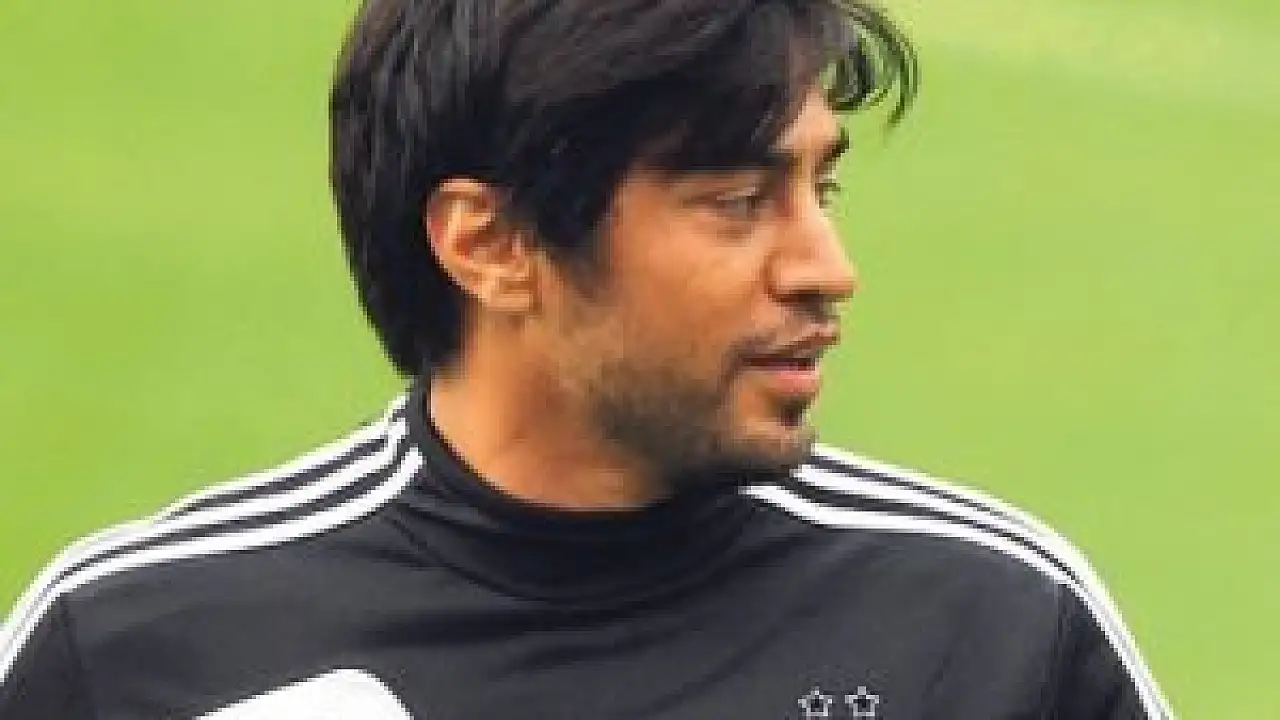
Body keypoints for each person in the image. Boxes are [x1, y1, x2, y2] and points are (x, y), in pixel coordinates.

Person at [0, 0, 1172, 717]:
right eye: (735, 200)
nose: (826, 267)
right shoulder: (137, 646)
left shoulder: (989, 626)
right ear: (490, 245)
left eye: (820, 188)